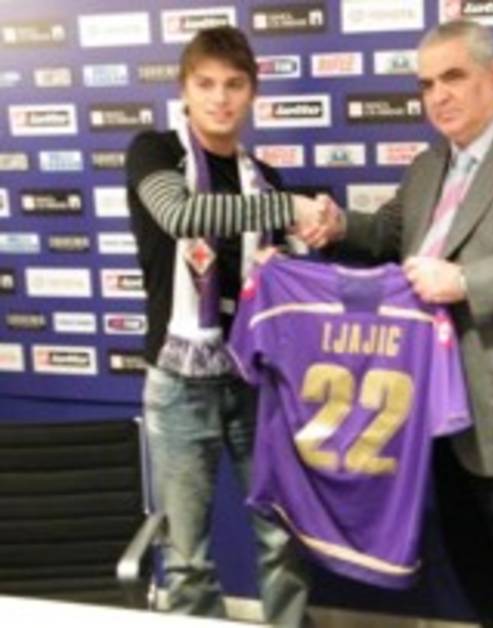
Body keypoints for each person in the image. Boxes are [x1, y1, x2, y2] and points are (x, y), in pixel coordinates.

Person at [300, 19, 493, 628]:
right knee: (482, 588)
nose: (437, 96)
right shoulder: (429, 166)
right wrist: (341, 226)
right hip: (445, 421)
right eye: (426, 84)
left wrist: (468, 280)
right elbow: (391, 233)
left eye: (453, 77)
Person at [125, 26, 317, 626]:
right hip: (178, 383)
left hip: (253, 378)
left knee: (280, 536)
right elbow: (180, 214)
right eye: (205, 84)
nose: (220, 98)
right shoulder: (155, 153)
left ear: (252, 93)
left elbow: (284, 283)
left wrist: (297, 250)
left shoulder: (263, 178)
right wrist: (291, 209)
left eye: (234, 85)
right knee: (186, 557)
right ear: (184, 90)